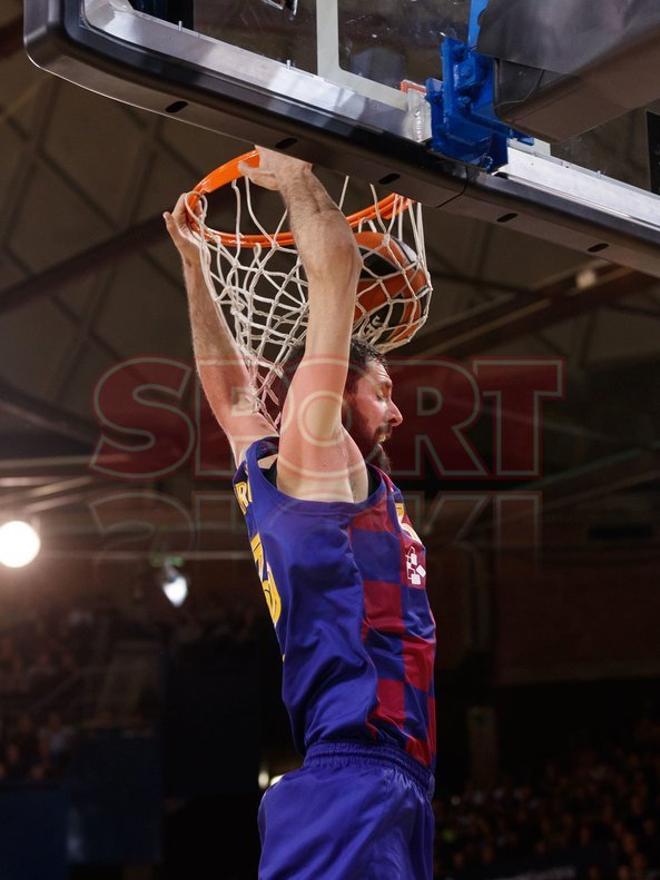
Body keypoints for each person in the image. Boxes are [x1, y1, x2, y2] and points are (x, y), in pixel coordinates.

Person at [165, 147, 436, 879]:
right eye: (382, 390)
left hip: (383, 774)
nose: (397, 410)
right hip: (359, 767)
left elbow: (229, 401)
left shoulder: (275, 471)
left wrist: (195, 268)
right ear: (334, 390)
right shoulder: (318, 450)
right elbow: (338, 271)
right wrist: (292, 177)